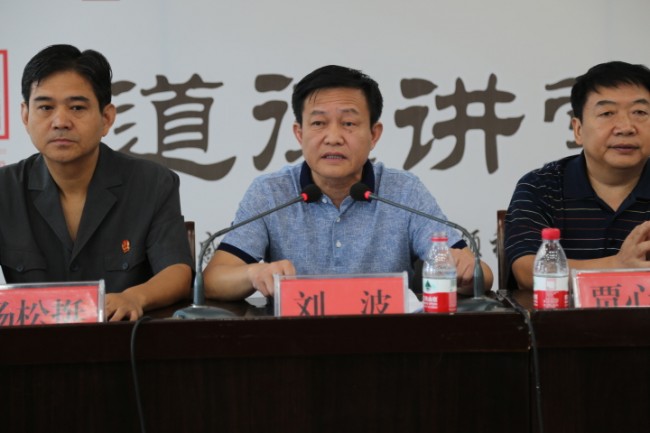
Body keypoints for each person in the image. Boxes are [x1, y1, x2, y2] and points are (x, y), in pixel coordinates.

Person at [203, 65, 493, 301]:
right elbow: (214, 280)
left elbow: (481, 275)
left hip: (390, 341)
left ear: (374, 134)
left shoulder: (403, 191)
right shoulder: (270, 192)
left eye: (349, 124)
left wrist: (466, 271)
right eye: (318, 123)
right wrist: (253, 273)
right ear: (299, 133)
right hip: (296, 343)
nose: (333, 137)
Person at [0, 44, 193, 320]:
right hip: (31, 343)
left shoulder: (152, 183)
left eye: (77, 107)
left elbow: (176, 272)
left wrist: (134, 297)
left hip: (124, 339)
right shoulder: (5, 189)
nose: (60, 121)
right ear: (25, 115)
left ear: (106, 118)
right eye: (45, 107)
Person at [505, 60, 650, 290]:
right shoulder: (541, 186)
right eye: (607, 113)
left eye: (639, 112)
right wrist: (617, 265)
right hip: (561, 315)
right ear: (578, 129)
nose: (625, 127)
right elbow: (527, 271)